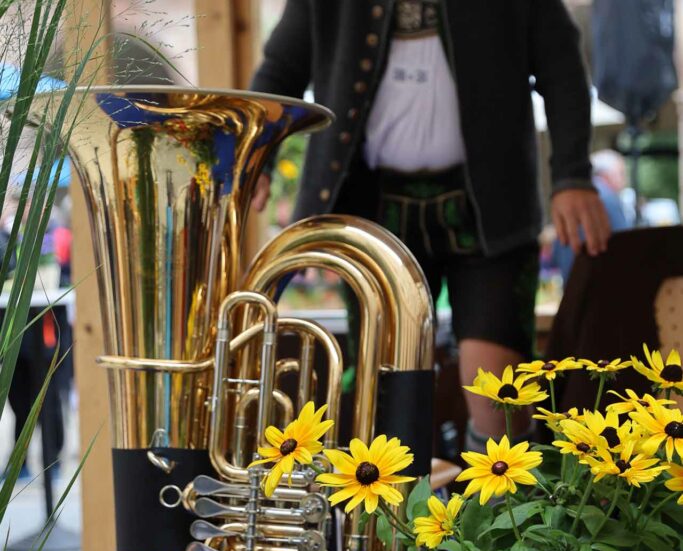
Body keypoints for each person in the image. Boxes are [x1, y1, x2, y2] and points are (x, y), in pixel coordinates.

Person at [251, 0, 611, 450]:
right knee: (387, 387)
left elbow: (562, 66)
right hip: (375, 209)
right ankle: (399, 517)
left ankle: (500, 516)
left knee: (497, 392)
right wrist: (256, 156)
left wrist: (572, 175)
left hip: (489, 211)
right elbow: (280, 71)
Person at [553, 149, 630, 285]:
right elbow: (626, 244)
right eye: (621, 174)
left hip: (571, 281)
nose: (624, 181)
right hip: (600, 284)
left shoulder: (568, 199)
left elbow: (557, 247)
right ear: (608, 174)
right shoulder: (605, 198)